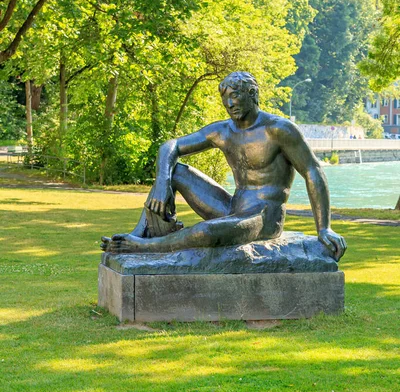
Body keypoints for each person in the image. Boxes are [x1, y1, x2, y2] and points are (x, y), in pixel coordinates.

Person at [101, 72, 346, 260]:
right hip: (232, 207)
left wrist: (324, 228)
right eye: (225, 98)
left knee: (208, 232)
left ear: (252, 93)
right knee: (173, 171)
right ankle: (141, 233)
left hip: (262, 218)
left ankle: (144, 247)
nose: (230, 104)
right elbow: (171, 146)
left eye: (235, 95)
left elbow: (313, 171)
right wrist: (161, 182)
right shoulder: (223, 131)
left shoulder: (278, 130)